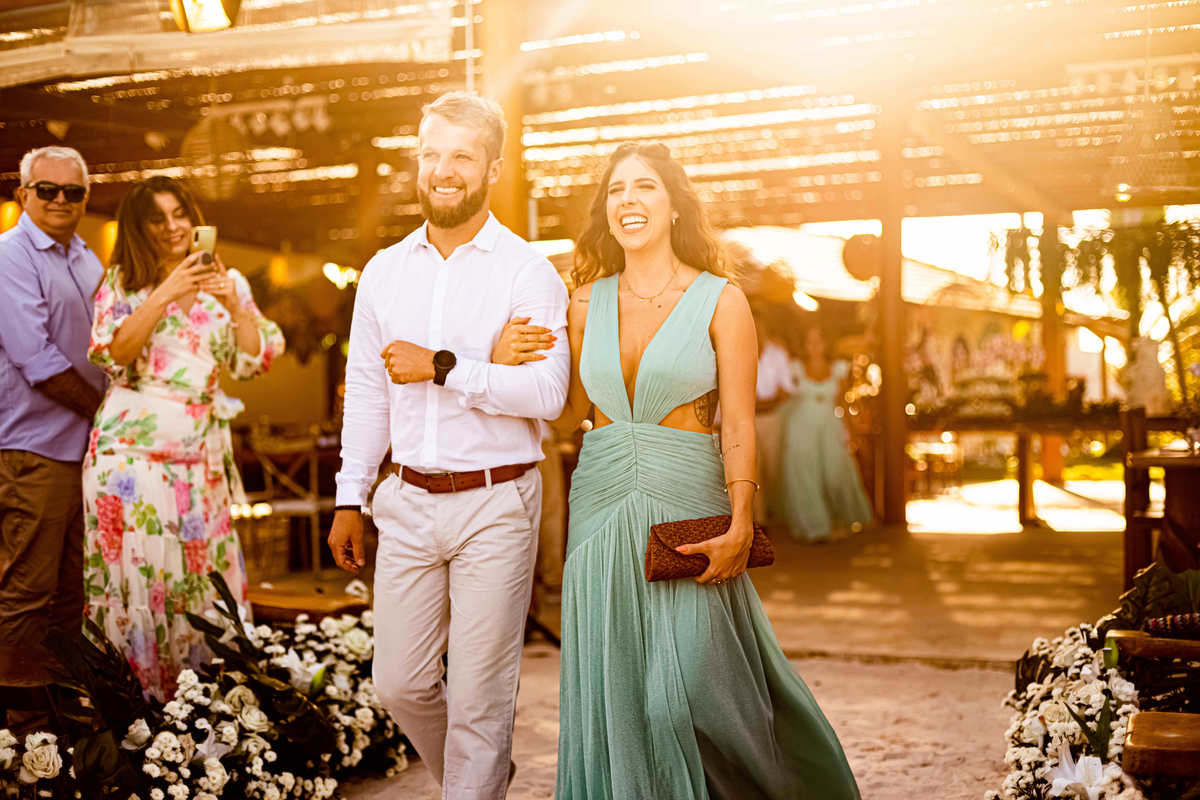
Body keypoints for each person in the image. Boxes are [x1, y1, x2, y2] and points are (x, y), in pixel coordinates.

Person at [548, 142, 860, 798]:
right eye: (616, 191)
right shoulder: (581, 305)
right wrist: (496, 358)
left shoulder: (722, 301)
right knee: (619, 694)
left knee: (689, 694)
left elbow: (739, 424)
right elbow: (564, 416)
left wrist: (744, 518)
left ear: (674, 206)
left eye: (645, 188)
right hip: (599, 503)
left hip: (686, 500)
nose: (628, 200)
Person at [327, 91, 569, 799]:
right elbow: (368, 393)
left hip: (497, 498)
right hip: (405, 498)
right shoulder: (382, 271)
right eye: (431, 153)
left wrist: (444, 364)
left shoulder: (528, 271)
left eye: (462, 155)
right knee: (399, 683)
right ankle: (479, 780)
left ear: (492, 167)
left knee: (478, 696)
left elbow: (547, 395)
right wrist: (350, 496)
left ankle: (474, 783)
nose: (443, 169)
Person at [84, 175, 284, 701]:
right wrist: (167, 291)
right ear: (139, 227)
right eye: (159, 218)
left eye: (181, 214)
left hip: (200, 459)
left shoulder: (230, 281)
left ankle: (204, 714)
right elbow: (111, 354)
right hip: (129, 460)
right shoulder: (123, 281)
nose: (174, 227)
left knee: (198, 581)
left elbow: (254, 358)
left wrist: (235, 305)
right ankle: (137, 713)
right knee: (140, 585)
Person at [0, 146, 106, 727]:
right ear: (24, 195)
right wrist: (107, 409)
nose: (61, 200)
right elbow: (36, 359)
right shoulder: (12, 256)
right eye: (48, 190)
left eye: (74, 192)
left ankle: (61, 722)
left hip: (84, 453)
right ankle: (18, 734)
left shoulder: (86, 257)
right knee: (27, 592)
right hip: (33, 449)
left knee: (70, 595)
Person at [776, 324, 872, 542]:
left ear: (826, 343)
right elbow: (784, 395)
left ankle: (846, 519)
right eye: (810, 341)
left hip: (830, 424)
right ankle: (815, 527)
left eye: (818, 340)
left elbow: (843, 402)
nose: (814, 346)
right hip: (801, 425)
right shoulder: (795, 368)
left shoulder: (838, 368)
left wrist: (852, 431)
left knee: (835, 472)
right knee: (804, 475)